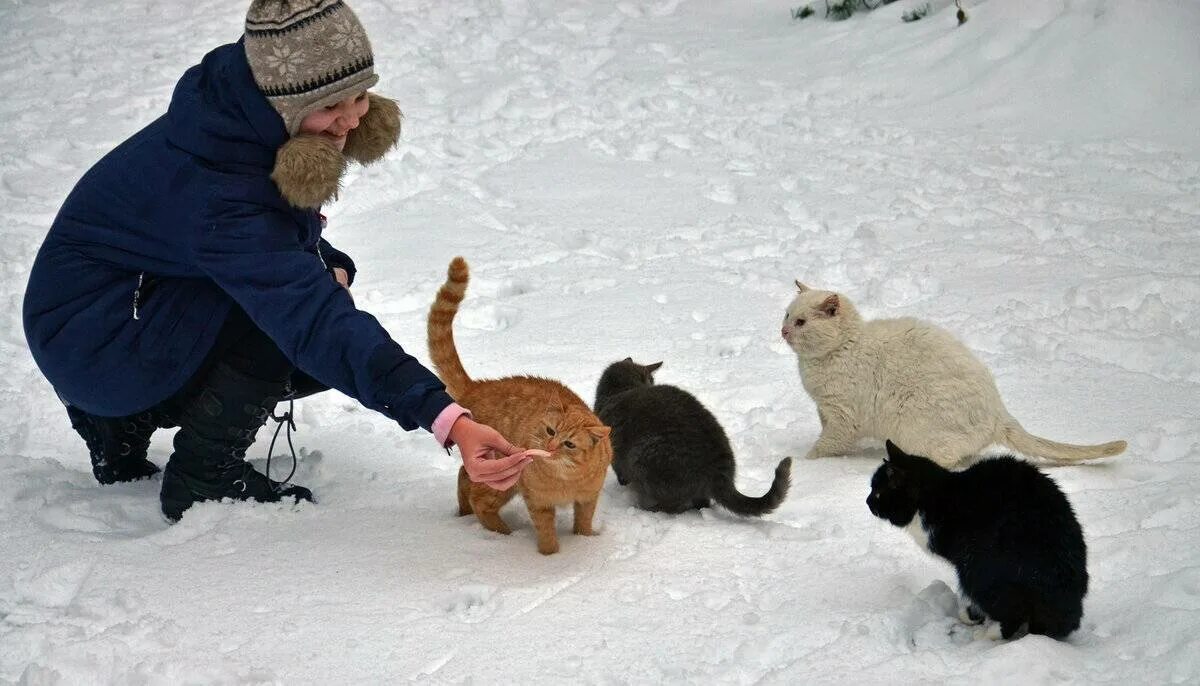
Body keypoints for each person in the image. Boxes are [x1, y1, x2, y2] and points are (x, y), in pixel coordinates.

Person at [22, 0, 537, 522]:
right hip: (97, 342)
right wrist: (447, 418)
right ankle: (203, 475)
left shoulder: (240, 125)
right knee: (290, 325)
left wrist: (328, 262)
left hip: (103, 321)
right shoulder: (219, 186)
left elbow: (264, 240)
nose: (352, 119)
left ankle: (119, 426)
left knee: (304, 306)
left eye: (360, 95)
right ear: (283, 101)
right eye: (331, 106)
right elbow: (302, 307)